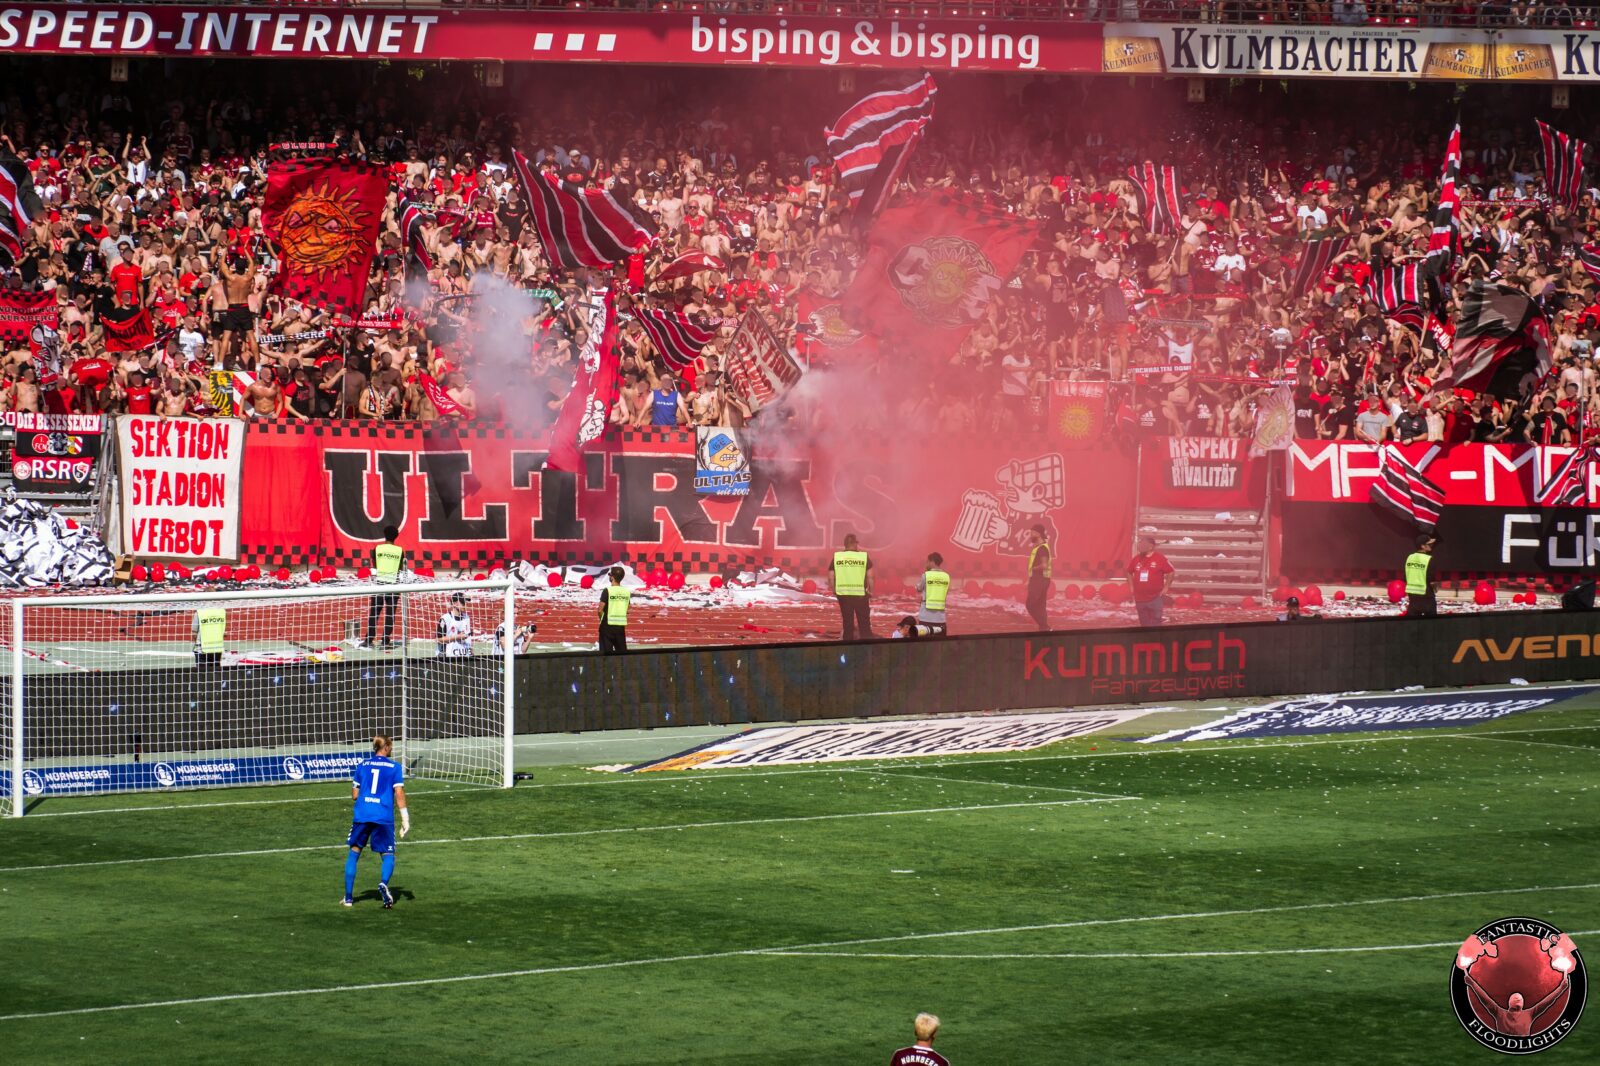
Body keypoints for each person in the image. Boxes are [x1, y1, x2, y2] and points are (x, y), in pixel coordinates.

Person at [342, 734, 409, 909]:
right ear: (386, 747)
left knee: (354, 853)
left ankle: (348, 898)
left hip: (363, 814)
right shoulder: (394, 767)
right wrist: (405, 819)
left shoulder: (362, 766)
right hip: (383, 815)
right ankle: (384, 883)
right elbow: (399, 793)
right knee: (388, 854)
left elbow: (354, 795)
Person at [364, 524, 404, 649]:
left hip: (379, 585)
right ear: (396, 537)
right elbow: (400, 569)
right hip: (393, 587)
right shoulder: (400, 551)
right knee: (390, 615)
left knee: (374, 613)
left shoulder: (377, 549)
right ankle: (385, 640)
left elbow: (375, 566)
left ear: (384, 535)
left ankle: (368, 640)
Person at [830, 532, 874, 640]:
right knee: (864, 624)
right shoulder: (863, 557)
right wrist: (871, 590)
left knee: (847, 624)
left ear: (845, 545)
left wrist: (834, 590)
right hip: (860, 595)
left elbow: (831, 576)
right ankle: (867, 648)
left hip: (843, 595)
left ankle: (847, 649)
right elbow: (870, 576)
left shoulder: (837, 557)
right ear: (854, 544)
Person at [1127, 535, 1176, 627]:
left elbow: (1171, 572)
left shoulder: (1160, 558)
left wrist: (1166, 588)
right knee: (1144, 625)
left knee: (1156, 624)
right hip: (1139, 598)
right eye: (1140, 544)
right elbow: (1129, 572)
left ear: (1151, 546)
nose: (1140, 546)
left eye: (1143, 544)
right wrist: (1131, 586)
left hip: (1155, 598)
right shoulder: (1136, 559)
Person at [1024, 525, 1052, 631]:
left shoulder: (1042, 548)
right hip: (1042, 580)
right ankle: (1043, 628)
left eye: (1032, 533)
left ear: (1038, 534)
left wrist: (1034, 569)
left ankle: (1044, 626)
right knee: (1040, 606)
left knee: (1030, 604)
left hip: (1039, 580)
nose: (1030, 535)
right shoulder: (1040, 547)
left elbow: (1044, 565)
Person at [916, 552, 950, 636]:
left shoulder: (926, 575)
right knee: (940, 645)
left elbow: (919, 588)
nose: (926, 563)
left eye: (927, 561)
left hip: (926, 617)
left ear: (932, 562)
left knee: (923, 645)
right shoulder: (946, 576)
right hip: (940, 619)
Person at [598, 566, 630, 654]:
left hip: (607, 626)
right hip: (620, 627)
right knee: (622, 656)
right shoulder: (626, 592)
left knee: (605, 656)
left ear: (612, 577)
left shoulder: (607, 590)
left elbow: (600, 610)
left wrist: (602, 620)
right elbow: (627, 609)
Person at [1404, 534, 1437, 617]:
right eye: (1429, 544)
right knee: (1432, 623)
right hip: (1426, 594)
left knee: (1412, 623)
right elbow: (1431, 579)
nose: (1431, 545)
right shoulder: (1428, 559)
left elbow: (1406, 575)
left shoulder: (1409, 557)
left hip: (1412, 595)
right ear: (1422, 546)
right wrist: (1435, 588)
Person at [436, 592, 474, 657]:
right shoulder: (445, 618)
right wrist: (457, 637)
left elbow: (468, 639)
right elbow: (439, 639)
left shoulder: (467, 617)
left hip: (466, 656)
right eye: (462, 602)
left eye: (465, 602)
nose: (464, 604)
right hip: (450, 657)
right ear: (454, 603)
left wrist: (472, 652)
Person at [192, 604, 225, 669]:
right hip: (217, 647)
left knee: (202, 674)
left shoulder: (199, 613)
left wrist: (197, 642)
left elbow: (194, 632)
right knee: (216, 672)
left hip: (202, 648)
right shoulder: (221, 612)